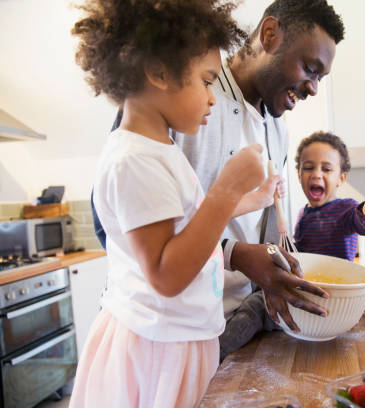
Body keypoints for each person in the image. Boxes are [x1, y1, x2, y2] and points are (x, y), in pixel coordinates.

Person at [70, 1, 327, 406]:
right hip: (160, 339)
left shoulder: (273, 128)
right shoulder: (146, 141)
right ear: (270, 35)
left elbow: (200, 213)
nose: (314, 87)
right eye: (311, 68)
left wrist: (261, 220)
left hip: (209, 330)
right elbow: (143, 250)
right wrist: (231, 217)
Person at [294, 131, 365, 261]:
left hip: (341, 280)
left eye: (327, 169)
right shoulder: (303, 213)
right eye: (309, 167)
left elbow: (362, 222)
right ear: (299, 175)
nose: (316, 174)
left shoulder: (345, 209)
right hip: (309, 280)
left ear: (341, 178)